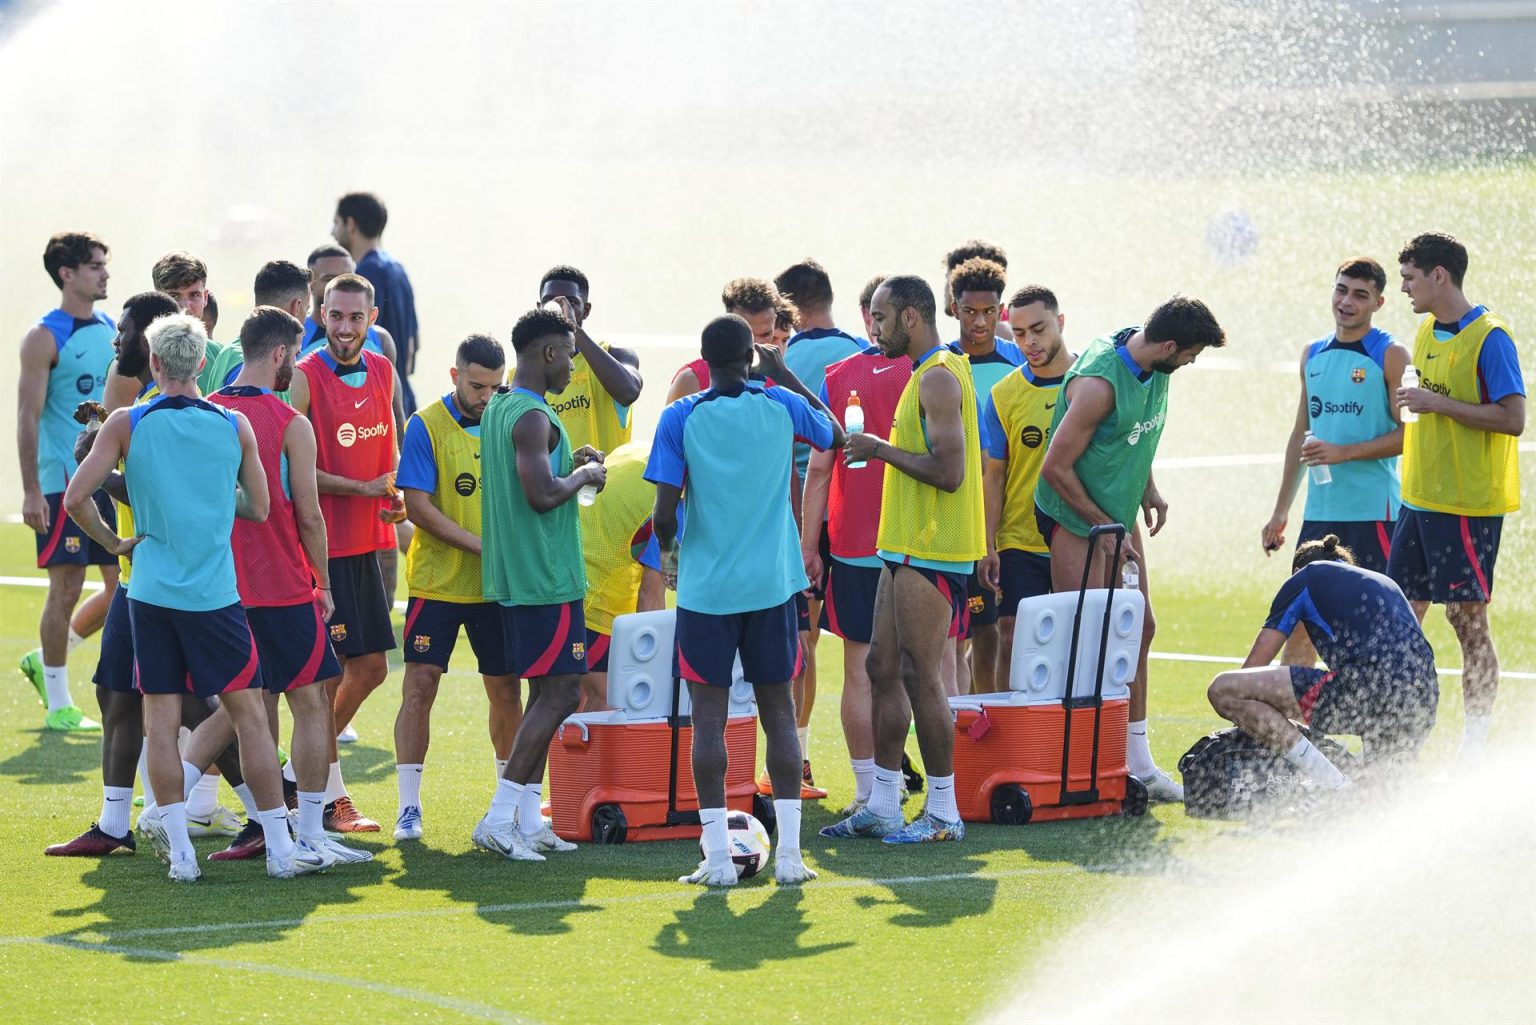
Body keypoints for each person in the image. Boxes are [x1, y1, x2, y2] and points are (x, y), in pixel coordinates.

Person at [63, 313, 329, 882]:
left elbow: (76, 498)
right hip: (216, 595)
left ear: (155, 364)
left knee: (161, 721)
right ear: (203, 363)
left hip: (152, 594)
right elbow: (259, 507)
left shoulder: (126, 422)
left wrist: (115, 541)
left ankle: (182, 855)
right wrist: (212, 500)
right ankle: (281, 849)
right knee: (251, 718)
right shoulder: (233, 425)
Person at [648, 314, 842, 885]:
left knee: (708, 722)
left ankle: (716, 863)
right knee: (778, 714)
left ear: (703, 362)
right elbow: (834, 434)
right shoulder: (780, 403)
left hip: (708, 591)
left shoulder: (681, 416)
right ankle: (790, 859)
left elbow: (663, 513)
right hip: (773, 587)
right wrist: (787, 375)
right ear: (753, 358)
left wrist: (671, 552)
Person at [184, 306, 372, 866]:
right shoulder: (291, 421)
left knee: (246, 705)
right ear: (280, 354)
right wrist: (325, 583)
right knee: (313, 697)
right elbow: (309, 515)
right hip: (283, 585)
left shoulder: (205, 412)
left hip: (219, 590)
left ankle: (172, 808)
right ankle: (309, 831)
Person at [1034, 296, 1227, 801]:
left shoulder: (1153, 362)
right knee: (1090, 638)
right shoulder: (1098, 385)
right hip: (1073, 515)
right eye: (1190, 355)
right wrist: (1106, 530)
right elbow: (1054, 468)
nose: (1190, 362)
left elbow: (1134, 439)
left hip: (1114, 514)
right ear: (1168, 346)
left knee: (1139, 628)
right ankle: (1079, 768)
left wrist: (1148, 489)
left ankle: (1137, 763)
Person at [823, 275, 983, 844]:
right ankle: (885, 804)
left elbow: (951, 471)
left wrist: (878, 450)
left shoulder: (938, 377)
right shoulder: (926, 372)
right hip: (901, 547)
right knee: (880, 669)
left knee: (922, 677)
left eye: (883, 318)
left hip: (933, 548)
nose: (875, 328)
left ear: (912, 317)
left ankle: (943, 812)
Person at [44, 291, 178, 856]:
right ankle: (114, 825)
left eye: (123, 332)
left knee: (203, 708)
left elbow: (172, 498)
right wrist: (103, 437)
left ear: (148, 343)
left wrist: (102, 466)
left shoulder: (171, 410)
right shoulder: (142, 403)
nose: (114, 340)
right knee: (115, 694)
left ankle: (267, 814)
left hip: (171, 580)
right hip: (134, 576)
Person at [472, 308, 606, 862]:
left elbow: (533, 472)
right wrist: (585, 476)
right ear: (549, 353)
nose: (574, 366)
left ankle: (528, 819)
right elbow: (542, 495)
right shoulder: (531, 416)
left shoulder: (504, 406)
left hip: (518, 575)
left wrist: (566, 464)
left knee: (541, 696)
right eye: (570, 355)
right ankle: (499, 818)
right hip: (545, 579)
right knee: (561, 693)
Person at [1389, 231, 1524, 765]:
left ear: (1439, 275)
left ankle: (1473, 749)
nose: (1403, 288)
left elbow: (1513, 420)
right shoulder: (1424, 330)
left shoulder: (1491, 338)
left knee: (1466, 623)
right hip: (1417, 500)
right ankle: (1397, 737)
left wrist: (1436, 405)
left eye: (1409, 278)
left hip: (1467, 507)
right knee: (1400, 620)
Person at [392, 334, 522, 842]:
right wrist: (482, 546)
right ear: (454, 376)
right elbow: (418, 507)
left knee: (505, 689)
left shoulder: (511, 418)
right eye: (476, 386)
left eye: (495, 386)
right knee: (419, 687)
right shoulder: (425, 424)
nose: (487, 397)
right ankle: (408, 807)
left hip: (498, 588)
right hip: (439, 582)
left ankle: (505, 804)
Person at [288, 272, 400, 832]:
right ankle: (328, 798)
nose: (346, 327)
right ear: (320, 314)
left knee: (374, 668)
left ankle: (295, 772)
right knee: (325, 680)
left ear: (372, 319)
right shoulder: (305, 377)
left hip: (368, 543)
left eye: (356, 317)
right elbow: (291, 468)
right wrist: (358, 489)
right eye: (336, 316)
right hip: (322, 549)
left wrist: (396, 498)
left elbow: (390, 451)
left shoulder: (382, 369)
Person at [1262, 258, 1408, 666]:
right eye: (1341, 290)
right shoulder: (1313, 353)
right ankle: (1290, 727)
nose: (1347, 301)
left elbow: (1409, 435)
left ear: (1378, 302)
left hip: (1373, 515)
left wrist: (1343, 453)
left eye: (1360, 294)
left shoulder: (1391, 354)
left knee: (1371, 625)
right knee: (1302, 621)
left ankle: (1378, 723)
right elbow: (1298, 435)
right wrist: (1280, 512)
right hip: (1319, 514)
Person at [1207, 535, 1438, 785]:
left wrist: (1257, 725)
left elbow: (1251, 672)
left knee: (1224, 690)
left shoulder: (1305, 577)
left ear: (1296, 571)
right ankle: (1353, 784)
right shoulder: (1385, 583)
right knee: (1375, 794)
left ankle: (1334, 784)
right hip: (1424, 700)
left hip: (1368, 690)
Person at [802, 328, 913, 816]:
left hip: (853, 546)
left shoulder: (841, 377)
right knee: (931, 668)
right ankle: (945, 787)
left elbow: (820, 468)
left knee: (859, 671)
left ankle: (870, 791)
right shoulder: (934, 370)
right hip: (920, 545)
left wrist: (809, 547)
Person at [775, 258, 869, 798]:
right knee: (867, 646)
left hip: (798, 509)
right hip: (854, 511)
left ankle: (796, 759)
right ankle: (880, 766)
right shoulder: (862, 350)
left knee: (800, 641)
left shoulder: (784, 357)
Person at [17, 231, 118, 733]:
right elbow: (26, 416)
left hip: (110, 479)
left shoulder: (112, 328)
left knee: (125, 585)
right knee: (67, 585)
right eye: (95, 265)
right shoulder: (43, 336)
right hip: (61, 482)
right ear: (67, 274)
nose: (104, 273)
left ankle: (45, 659)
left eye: (105, 264)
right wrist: (32, 490)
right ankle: (58, 703)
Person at [978, 285, 1075, 690]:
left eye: (1038, 329)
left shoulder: (1091, 381)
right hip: (1020, 539)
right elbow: (994, 475)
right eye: (1018, 333)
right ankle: (1009, 746)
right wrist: (988, 544)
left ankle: (1067, 743)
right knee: (1013, 638)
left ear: (1061, 322)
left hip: (1075, 535)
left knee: (1076, 644)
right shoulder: (1004, 395)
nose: (1029, 342)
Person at [946, 257, 1025, 695]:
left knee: (994, 632)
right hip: (958, 520)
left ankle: (989, 724)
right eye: (971, 311)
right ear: (954, 308)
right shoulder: (941, 363)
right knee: (962, 637)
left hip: (1008, 518)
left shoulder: (1018, 362)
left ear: (1001, 311)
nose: (980, 321)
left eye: (990, 312)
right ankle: (963, 735)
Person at [578, 440, 659, 711]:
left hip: (562, 580)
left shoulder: (639, 448)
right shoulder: (673, 498)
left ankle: (548, 756)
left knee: (564, 698)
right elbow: (651, 599)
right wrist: (652, 669)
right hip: (596, 601)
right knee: (610, 698)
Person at [530, 265, 643, 454]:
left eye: (571, 302)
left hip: (607, 482)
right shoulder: (521, 372)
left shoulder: (616, 354)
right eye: (549, 301)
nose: (560, 307)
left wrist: (574, 329)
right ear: (539, 308)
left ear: (586, 309)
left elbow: (629, 392)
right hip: (550, 484)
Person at [333, 192, 419, 415]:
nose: (332, 232)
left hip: (377, 406)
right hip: (403, 400)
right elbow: (411, 348)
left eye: (336, 223)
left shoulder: (364, 276)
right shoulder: (398, 269)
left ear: (350, 224)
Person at [665, 277, 790, 402]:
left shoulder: (781, 382)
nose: (755, 344)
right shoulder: (692, 380)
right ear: (728, 321)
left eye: (765, 334)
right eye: (747, 334)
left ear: (774, 321)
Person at [150, 250, 224, 396]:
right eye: (174, 296)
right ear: (158, 298)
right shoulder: (136, 357)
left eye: (194, 295)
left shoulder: (220, 355)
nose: (185, 307)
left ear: (205, 298)